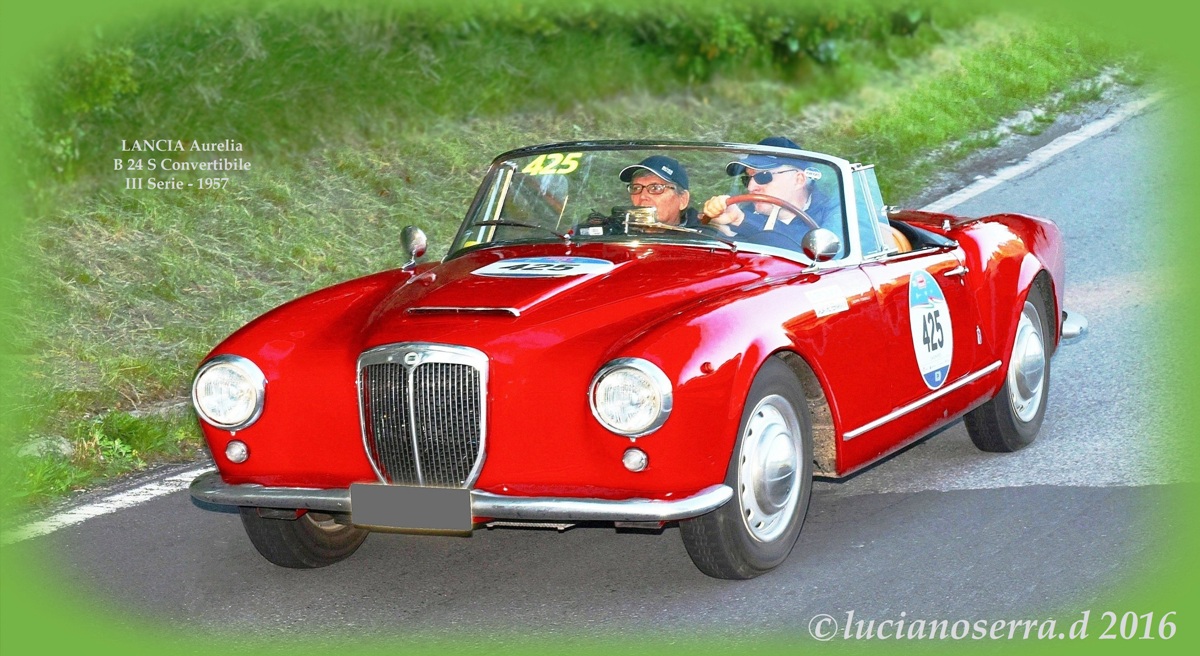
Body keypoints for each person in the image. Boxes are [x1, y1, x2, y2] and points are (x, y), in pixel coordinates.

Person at [701, 136, 841, 248]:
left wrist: (742, 220)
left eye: (763, 176)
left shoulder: (835, 215)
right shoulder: (745, 212)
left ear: (798, 180)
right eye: (747, 179)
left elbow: (817, 248)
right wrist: (716, 225)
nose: (750, 187)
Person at [618, 155, 702, 227]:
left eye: (656, 188)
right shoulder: (616, 231)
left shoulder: (702, 238)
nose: (642, 196)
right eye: (636, 188)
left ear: (683, 199)